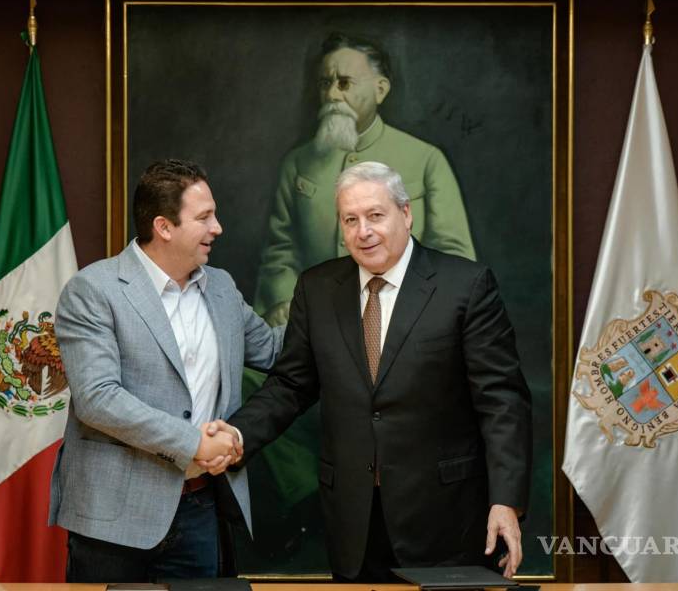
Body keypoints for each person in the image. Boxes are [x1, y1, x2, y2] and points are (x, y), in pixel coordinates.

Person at [220, 161, 531, 581]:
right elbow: (291, 385)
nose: (363, 231)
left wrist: (506, 501)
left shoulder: (466, 286)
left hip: (445, 518)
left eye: (375, 216)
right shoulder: (316, 289)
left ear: (406, 214)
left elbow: (502, 402)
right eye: (350, 220)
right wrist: (236, 436)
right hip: (353, 522)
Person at [48, 159, 283, 582]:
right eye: (205, 217)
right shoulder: (93, 290)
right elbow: (98, 399)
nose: (218, 228)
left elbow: (273, 351)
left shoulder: (223, 288)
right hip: (114, 521)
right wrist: (194, 443)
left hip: (202, 509)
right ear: (164, 227)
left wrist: (342, 306)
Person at [255, 32, 476, 326]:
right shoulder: (297, 163)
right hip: (318, 322)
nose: (332, 94)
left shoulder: (426, 159)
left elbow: (454, 256)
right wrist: (284, 301)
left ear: (380, 90)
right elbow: (280, 251)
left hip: (407, 321)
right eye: (326, 83)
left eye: (344, 83)